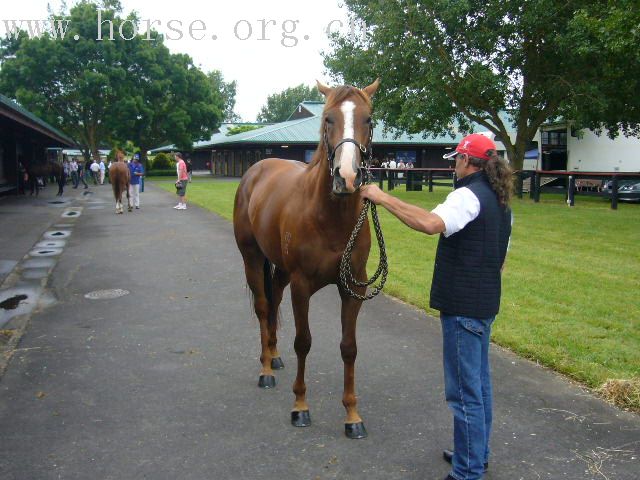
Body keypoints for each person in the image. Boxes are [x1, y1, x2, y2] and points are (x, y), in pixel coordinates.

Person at [360, 134, 513, 480]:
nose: (453, 165)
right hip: (484, 303)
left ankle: (467, 472)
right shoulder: (500, 201)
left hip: (463, 308)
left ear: (467, 161)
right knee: (479, 386)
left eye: (455, 159)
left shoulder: (466, 195)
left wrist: (381, 197)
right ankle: (476, 454)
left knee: (463, 392)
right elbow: (500, 259)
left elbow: (430, 224)